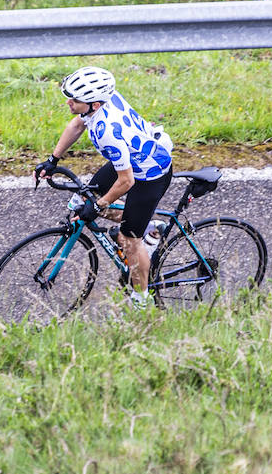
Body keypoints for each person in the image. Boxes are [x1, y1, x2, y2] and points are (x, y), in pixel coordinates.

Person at [34, 66, 173, 310]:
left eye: (75, 100)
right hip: (132, 159)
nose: (69, 102)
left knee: (129, 240)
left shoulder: (106, 132)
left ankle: (141, 300)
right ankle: (151, 227)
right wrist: (53, 160)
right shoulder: (100, 104)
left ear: (94, 105)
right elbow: (77, 125)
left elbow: (126, 182)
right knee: (81, 202)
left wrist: (99, 205)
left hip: (149, 173)